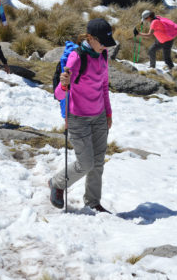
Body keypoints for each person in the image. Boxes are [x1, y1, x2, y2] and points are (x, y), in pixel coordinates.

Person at [48, 18, 115, 214]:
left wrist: (108, 112)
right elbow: (59, 95)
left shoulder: (103, 55)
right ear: (90, 38)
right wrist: (63, 83)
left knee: (98, 163)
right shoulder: (77, 59)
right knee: (85, 163)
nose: (104, 46)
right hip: (78, 118)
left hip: (100, 116)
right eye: (102, 42)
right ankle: (57, 183)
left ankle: (93, 201)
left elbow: (103, 86)